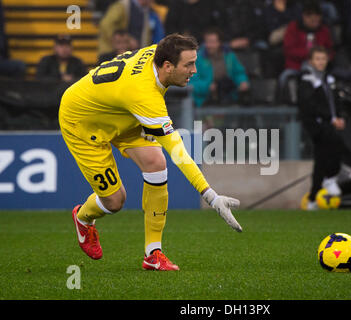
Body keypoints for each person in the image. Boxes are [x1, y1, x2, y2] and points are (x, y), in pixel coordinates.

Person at [59, 33, 242, 271]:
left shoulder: (162, 52)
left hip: (121, 111)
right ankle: (83, 217)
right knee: (115, 201)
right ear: (167, 66)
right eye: (189, 64)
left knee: (156, 162)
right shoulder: (144, 95)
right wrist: (212, 197)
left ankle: (153, 254)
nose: (194, 70)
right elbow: (179, 154)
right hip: (82, 122)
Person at [297, 46, 344, 210]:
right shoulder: (306, 79)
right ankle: (330, 178)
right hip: (316, 125)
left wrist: (339, 116)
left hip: (329, 123)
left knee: (321, 159)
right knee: (331, 145)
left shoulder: (329, 80)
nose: (320, 62)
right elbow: (308, 105)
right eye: (317, 59)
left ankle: (313, 197)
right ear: (311, 61)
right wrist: (330, 119)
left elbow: (335, 101)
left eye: (323, 59)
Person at [280, 1, 334, 92]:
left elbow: (330, 50)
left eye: (317, 20)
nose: (315, 23)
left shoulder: (324, 30)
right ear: (304, 17)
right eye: (312, 20)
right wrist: (310, 55)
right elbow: (288, 50)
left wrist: (322, 59)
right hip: (296, 66)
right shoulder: (293, 28)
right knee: (284, 76)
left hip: (320, 67)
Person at [189, 28, 250, 107]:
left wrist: (242, 81)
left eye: (213, 42)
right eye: (207, 42)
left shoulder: (229, 56)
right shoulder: (197, 58)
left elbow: (238, 72)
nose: (209, 45)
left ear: (219, 43)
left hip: (228, 96)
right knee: (199, 120)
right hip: (203, 102)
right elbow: (191, 83)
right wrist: (208, 87)